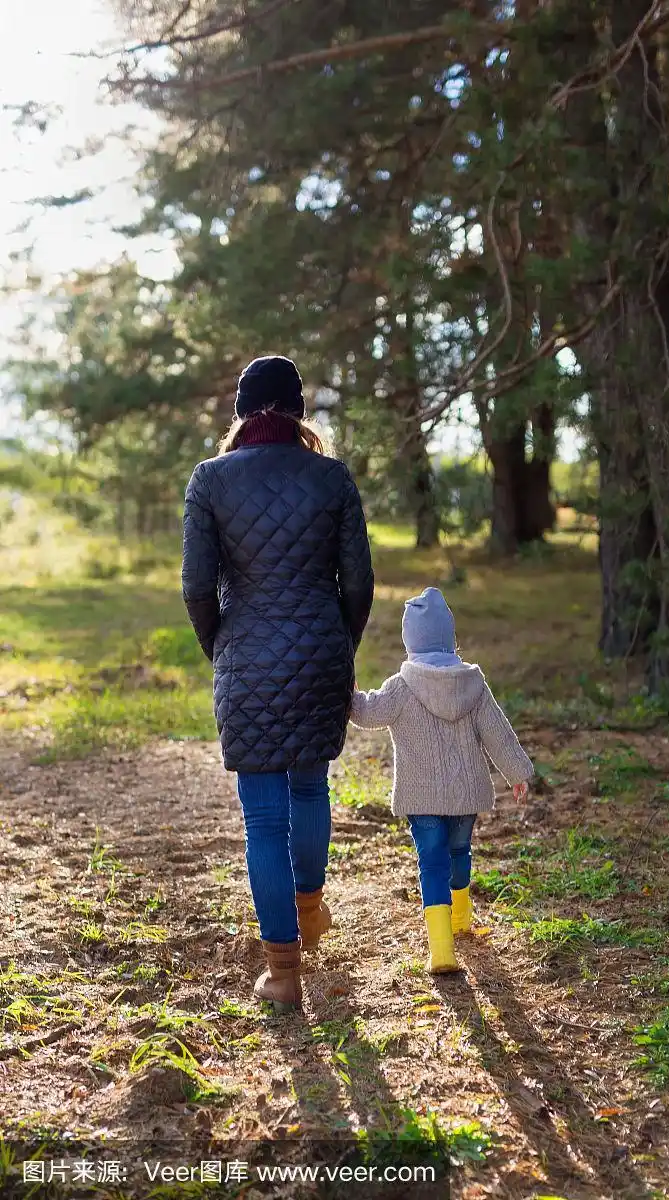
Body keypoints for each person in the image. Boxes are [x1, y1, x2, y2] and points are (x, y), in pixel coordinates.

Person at [182, 355, 374, 1011]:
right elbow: (360, 583)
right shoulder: (332, 477)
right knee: (310, 783)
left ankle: (284, 973)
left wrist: (223, 646)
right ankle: (310, 909)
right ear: (297, 410)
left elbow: (195, 586)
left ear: (242, 411)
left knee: (263, 818)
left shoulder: (209, 481)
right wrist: (336, 644)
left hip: (248, 657)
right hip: (321, 648)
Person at [349, 587, 533, 974]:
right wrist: (518, 773)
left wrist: (347, 693)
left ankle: (442, 948)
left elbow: (368, 713)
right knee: (459, 853)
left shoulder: (401, 686)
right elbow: (498, 733)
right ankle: (461, 920)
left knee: (431, 863)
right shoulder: (473, 684)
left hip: (423, 797)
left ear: (409, 642)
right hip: (466, 796)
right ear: (450, 639)